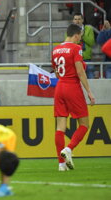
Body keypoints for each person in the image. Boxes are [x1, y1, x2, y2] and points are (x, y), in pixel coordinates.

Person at [52, 24, 95, 171]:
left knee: (60, 127)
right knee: (84, 124)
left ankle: (61, 164)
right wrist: (89, 91)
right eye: (80, 37)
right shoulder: (76, 48)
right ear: (76, 35)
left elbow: (56, 73)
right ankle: (69, 149)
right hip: (72, 87)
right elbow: (80, 72)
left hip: (59, 87)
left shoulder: (56, 49)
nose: (80, 40)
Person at [71, 13, 95, 78]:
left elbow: (91, 42)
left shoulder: (89, 29)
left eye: (79, 19)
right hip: (75, 59)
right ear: (73, 21)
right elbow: (69, 43)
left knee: (91, 78)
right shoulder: (70, 30)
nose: (77, 21)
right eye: (75, 19)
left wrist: (83, 35)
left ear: (82, 20)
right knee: (76, 79)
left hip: (87, 58)